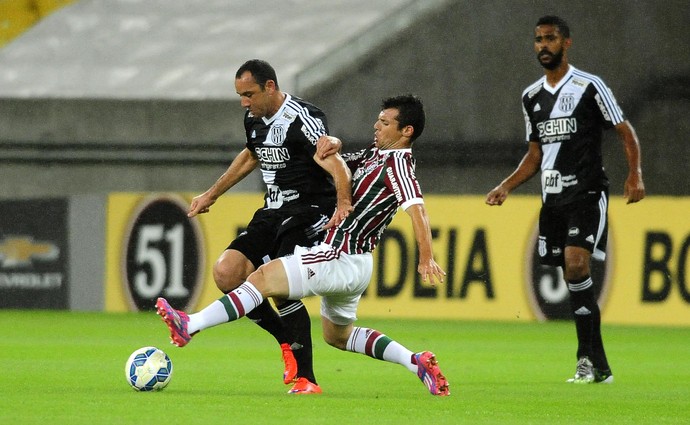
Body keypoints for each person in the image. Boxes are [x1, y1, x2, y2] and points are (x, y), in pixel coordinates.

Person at [157, 95, 450, 396]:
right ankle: (415, 362)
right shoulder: (378, 155)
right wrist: (332, 141)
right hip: (358, 264)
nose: (376, 125)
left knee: (260, 279)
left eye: (385, 122)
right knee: (338, 337)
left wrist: (426, 257)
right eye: (378, 119)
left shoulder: (399, 166)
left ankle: (191, 324)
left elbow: (418, 209)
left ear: (407, 131)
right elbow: (340, 165)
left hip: (339, 255)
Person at [485, 16, 645, 384]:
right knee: (574, 277)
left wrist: (635, 173)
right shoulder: (531, 97)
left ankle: (585, 360)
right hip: (553, 200)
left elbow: (625, 131)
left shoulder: (590, 86)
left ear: (566, 43)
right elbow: (535, 155)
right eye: (538, 40)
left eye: (550, 39)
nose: (543, 45)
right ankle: (599, 364)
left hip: (587, 192)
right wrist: (506, 186)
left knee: (576, 265)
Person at [185, 59, 350, 394]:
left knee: (278, 279)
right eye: (240, 96)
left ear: (270, 87)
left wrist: (344, 203)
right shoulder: (254, 118)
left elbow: (332, 159)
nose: (244, 102)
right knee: (226, 273)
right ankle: (287, 342)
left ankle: (307, 379)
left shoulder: (303, 118)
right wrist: (212, 194)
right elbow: (251, 155)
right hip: (273, 210)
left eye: (249, 94)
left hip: (308, 209)